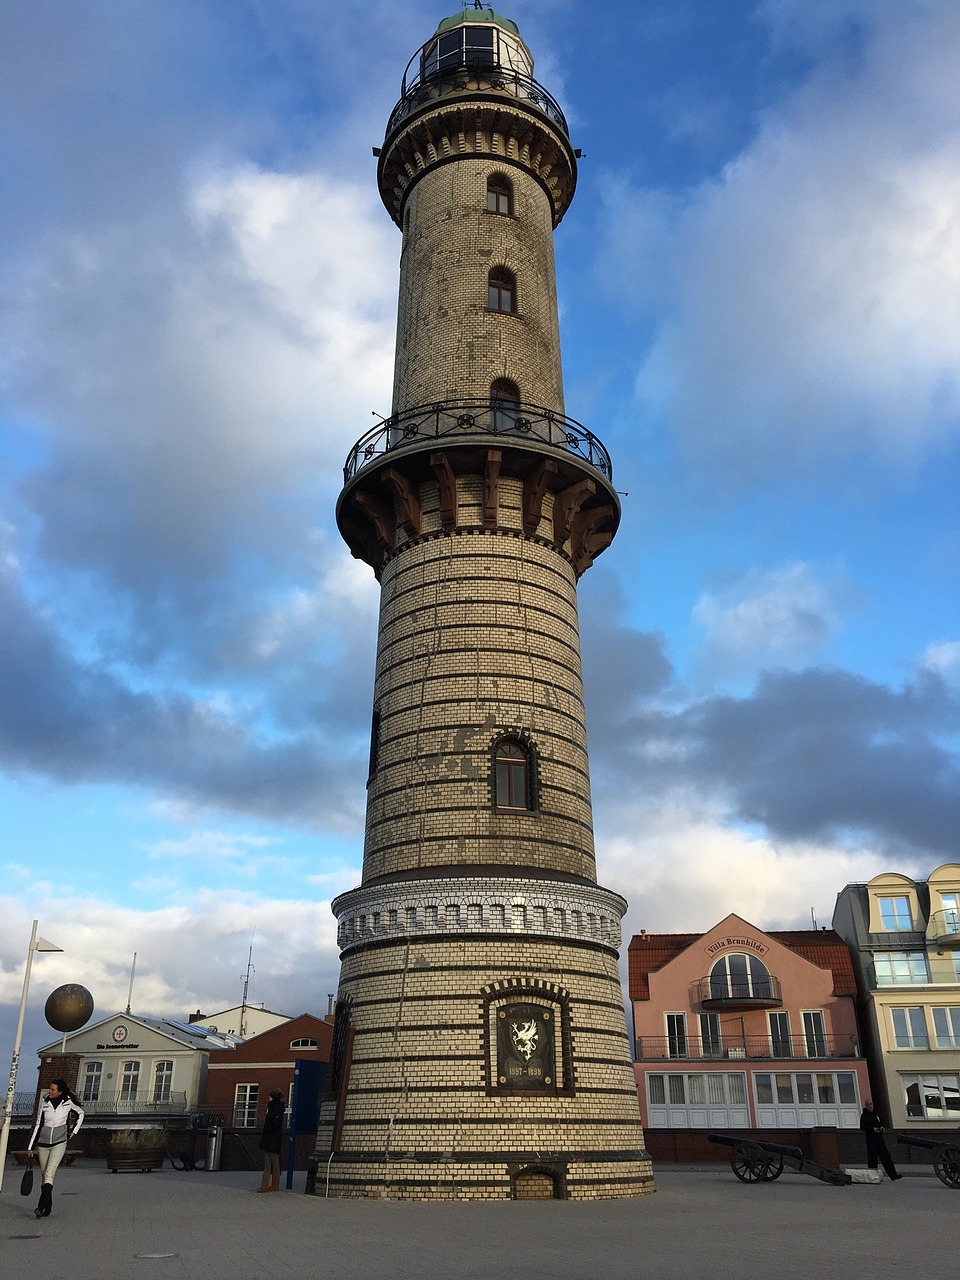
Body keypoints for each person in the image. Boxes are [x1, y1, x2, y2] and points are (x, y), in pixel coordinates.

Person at [27, 1078, 85, 1218]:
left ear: (60, 1091)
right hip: (43, 1143)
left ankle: (40, 1207)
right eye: (50, 1088)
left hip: (59, 1142)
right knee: (44, 1175)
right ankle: (49, 1204)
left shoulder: (68, 1102)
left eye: (52, 1089)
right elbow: (38, 1125)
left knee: (49, 1173)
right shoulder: (45, 1102)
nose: (50, 1091)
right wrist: (31, 1146)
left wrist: (74, 1131)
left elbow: (81, 1114)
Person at [859, 1098, 902, 1180]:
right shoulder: (864, 1115)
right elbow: (862, 1127)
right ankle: (873, 1177)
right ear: (865, 1106)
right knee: (872, 1159)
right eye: (868, 1104)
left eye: (871, 1104)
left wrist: (881, 1127)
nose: (870, 1106)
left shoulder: (876, 1114)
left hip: (879, 1139)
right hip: (871, 1140)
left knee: (886, 1157)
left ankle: (893, 1175)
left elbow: (880, 1122)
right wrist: (872, 1129)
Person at [256, 1089, 285, 1192]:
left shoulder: (274, 1109)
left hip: (272, 1139)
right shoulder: (275, 1108)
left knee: (272, 1161)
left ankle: (271, 1185)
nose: (268, 1098)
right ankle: (268, 1185)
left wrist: (268, 1133)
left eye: (270, 1097)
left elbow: (274, 1125)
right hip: (271, 1139)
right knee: (269, 1161)